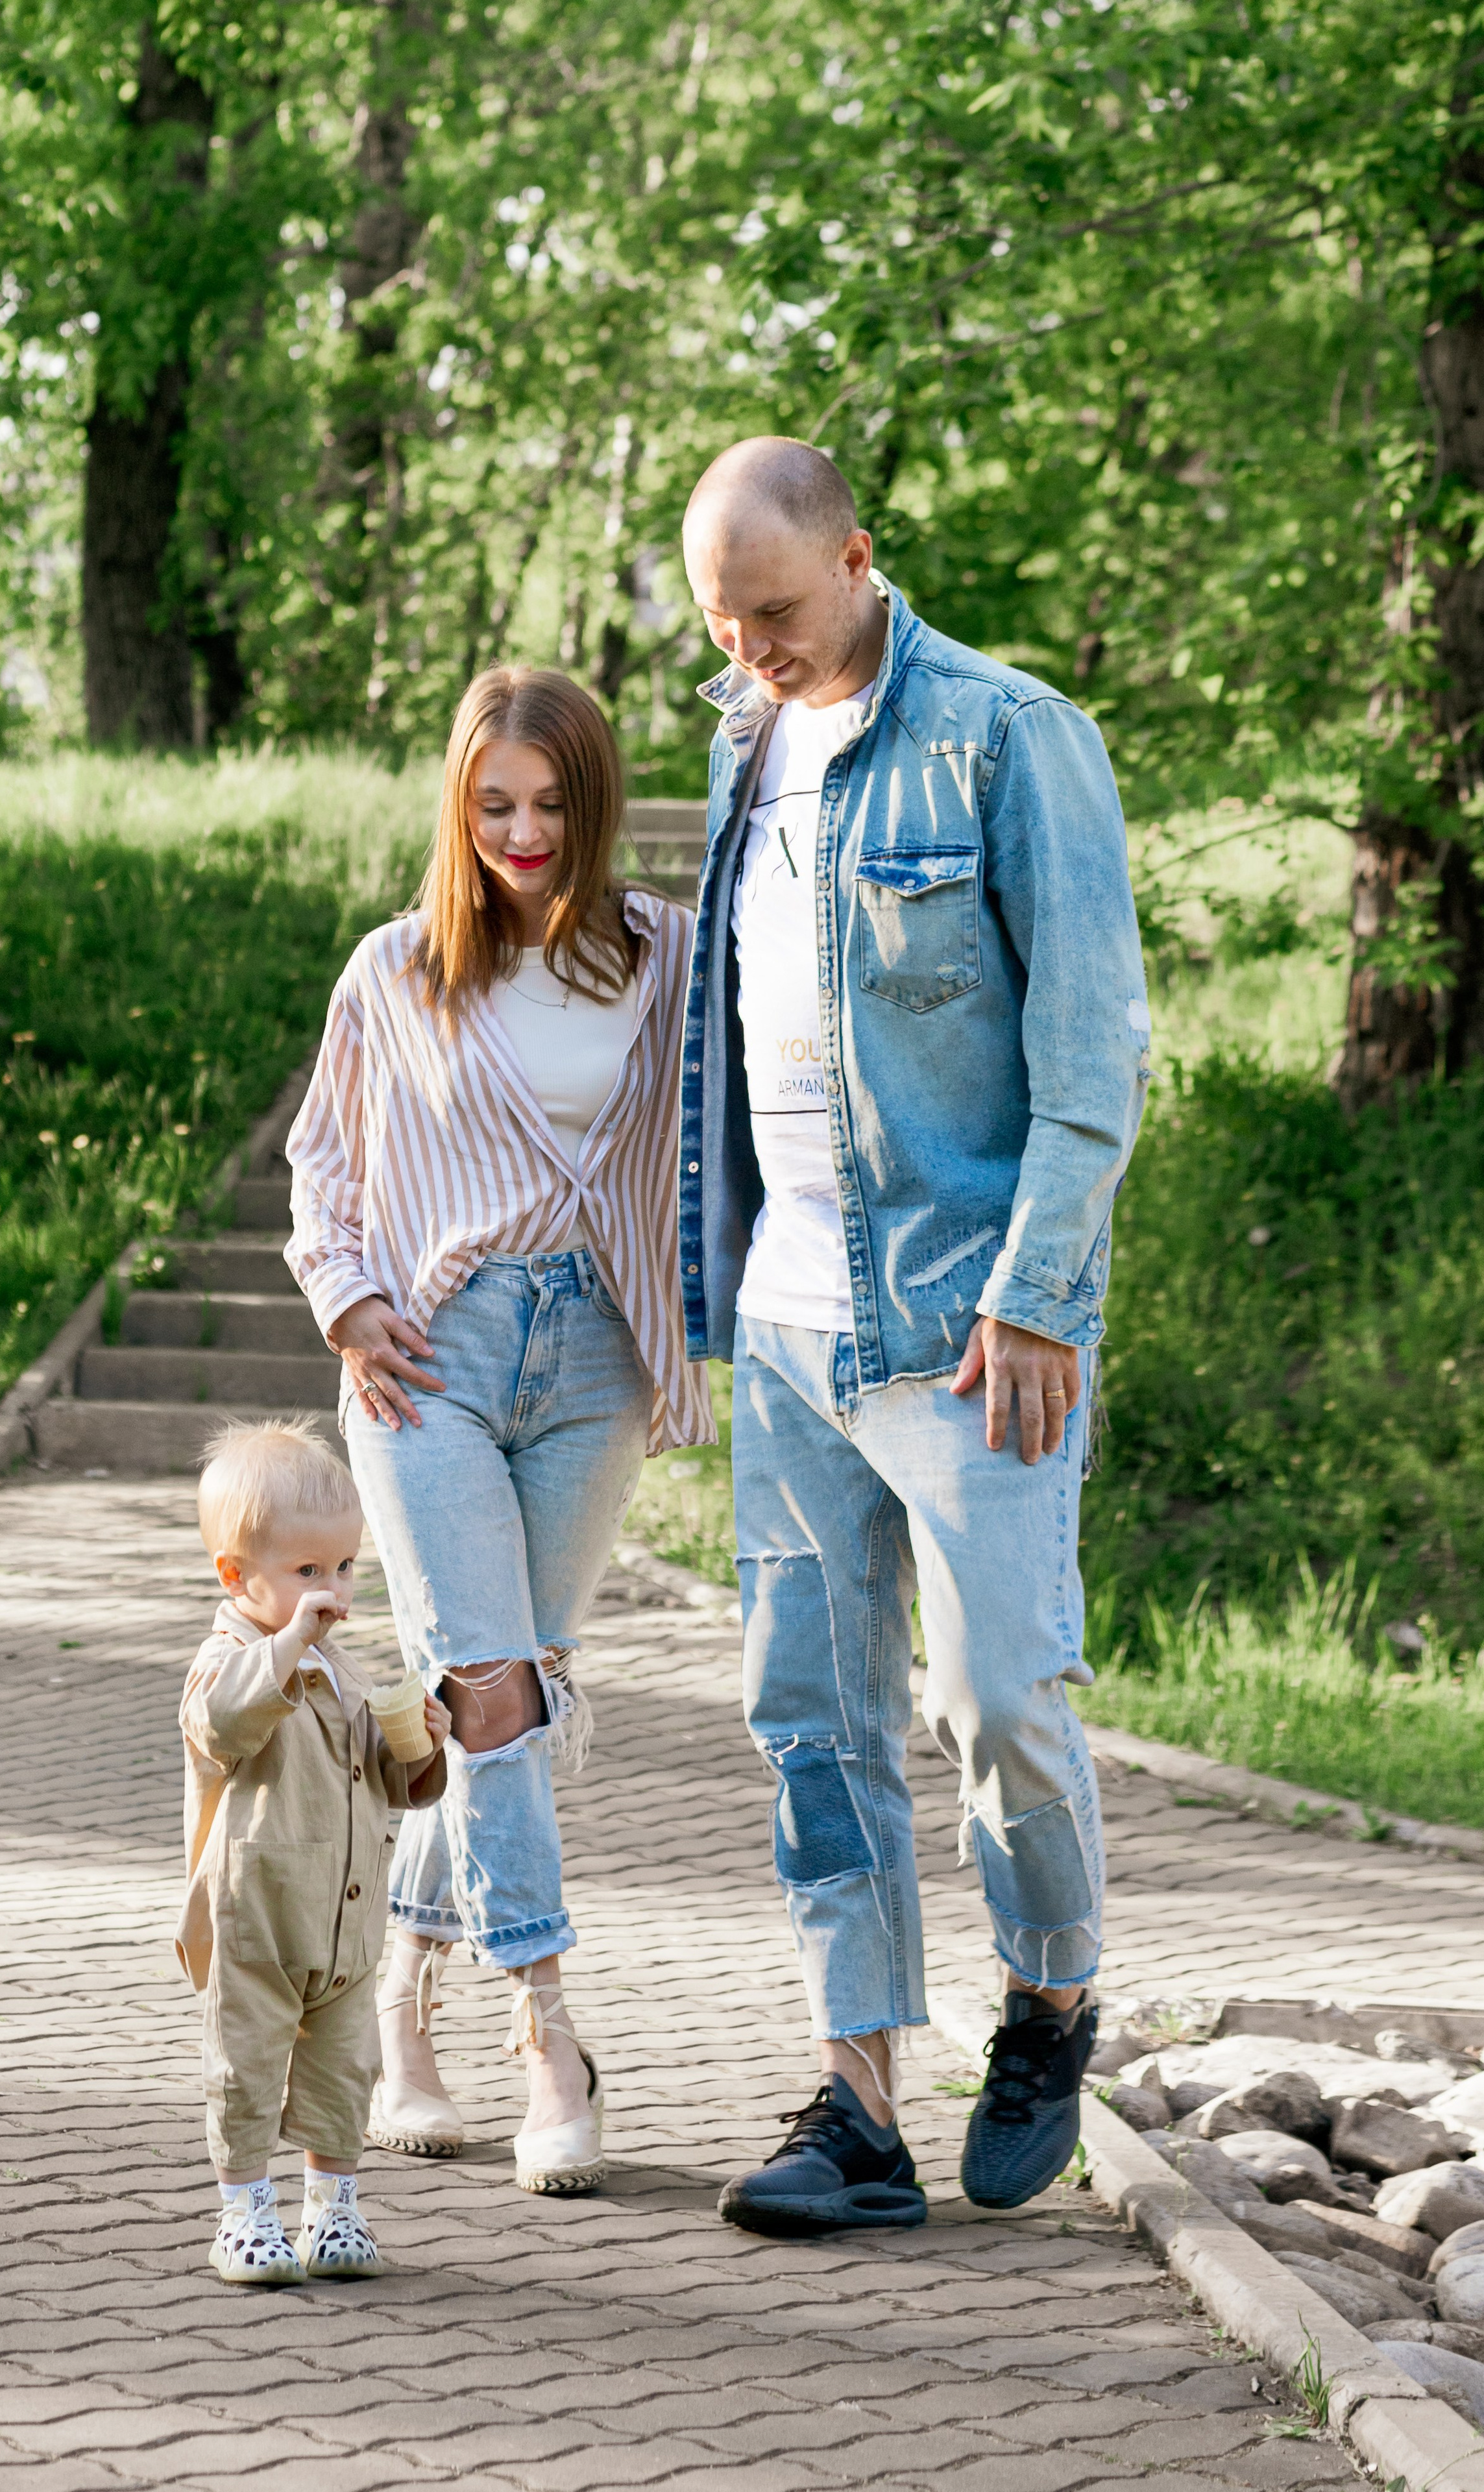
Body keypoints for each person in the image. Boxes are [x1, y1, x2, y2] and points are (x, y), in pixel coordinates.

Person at [677, 437, 1149, 2234]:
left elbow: (1094, 1045)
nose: (755, 653)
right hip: (789, 1328)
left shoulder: (1010, 733)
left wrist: (1042, 1291)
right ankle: (861, 2101)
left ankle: (1049, 1993)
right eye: (725, 625)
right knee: (814, 1715)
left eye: (778, 615)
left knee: (1000, 1696)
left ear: (860, 557)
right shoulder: (744, 744)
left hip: (966, 1325)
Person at [285, 665, 711, 2195]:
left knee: (515, 1689)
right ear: (457, 807)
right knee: (489, 1686)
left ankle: (399, 2000)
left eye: (549, 805)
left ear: (592, 809)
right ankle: (547, 2025)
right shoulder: (397, 968)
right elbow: (321, 1167)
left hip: (598, 1351)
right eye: (492, 805)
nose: (521, 832)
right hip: (430, 1359)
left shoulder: (663, 957)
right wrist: (343, 1301)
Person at [179, 1419, 450, 2286]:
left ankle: (333, 2210)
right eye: (308, 1573)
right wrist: (290, 1643)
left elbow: (396, 1786)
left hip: (347, 1917)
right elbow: (223, 1728)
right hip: (257, 1915)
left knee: (344, 2074)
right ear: (236, 1574)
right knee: (247, 2067)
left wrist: (422, 1745)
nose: (332, 1591)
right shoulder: (228, 1663)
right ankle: (245, 2214)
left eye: (344, 1568)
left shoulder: (344, 1671)